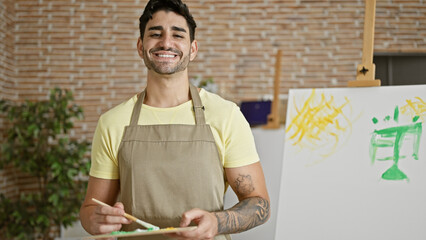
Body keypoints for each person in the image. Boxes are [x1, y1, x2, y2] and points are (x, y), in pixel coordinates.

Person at [79, 0, 270, 239]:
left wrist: (217, 222)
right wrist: (95, 219)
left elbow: (259, 203)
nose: (166, 42)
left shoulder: (226, 115)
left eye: (177, 35)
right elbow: (90, 210)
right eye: (155, 34)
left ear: (193, 49)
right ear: (140, 46)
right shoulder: (113, 122)